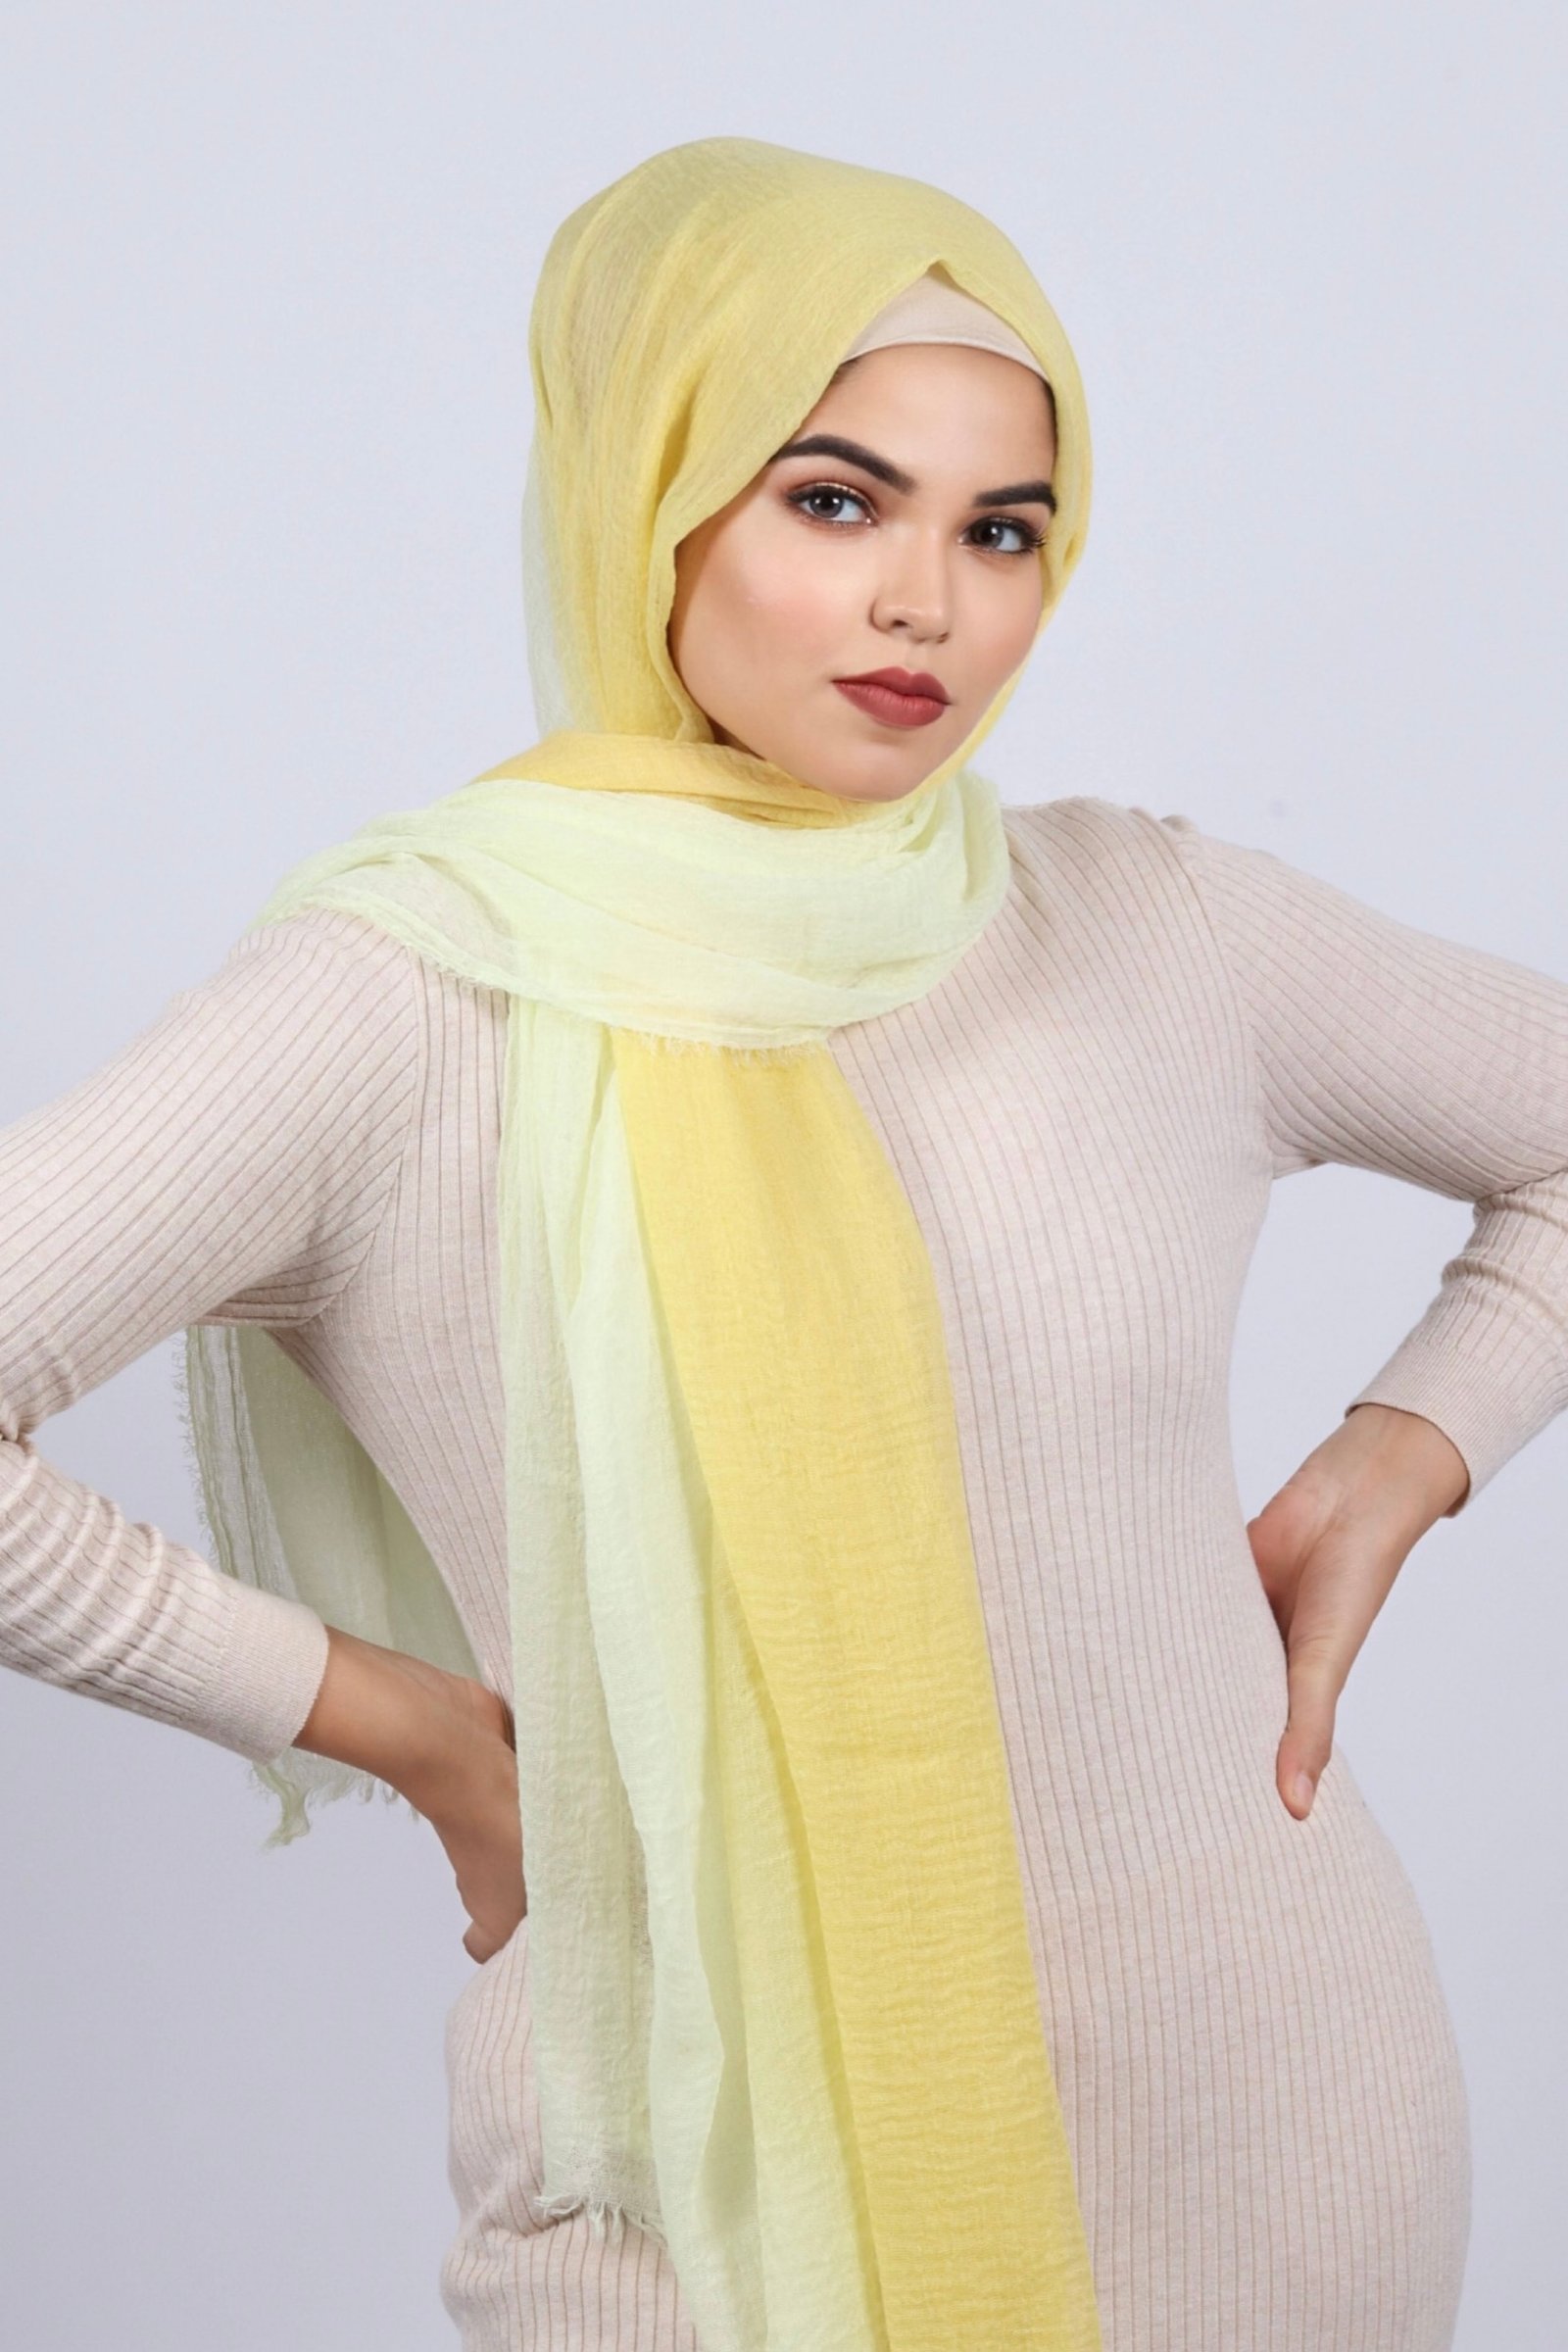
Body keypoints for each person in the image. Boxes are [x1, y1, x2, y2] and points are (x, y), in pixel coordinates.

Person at [2, 133, 1565, 2352]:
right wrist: (398, 1723)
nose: (930, 601)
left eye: (1000, 530)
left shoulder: (1148, 923)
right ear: (651, 496)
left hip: (1272, 2122)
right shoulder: (409, 1000)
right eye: (836, 501)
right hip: (686, 2200)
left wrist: (1411, 1447)